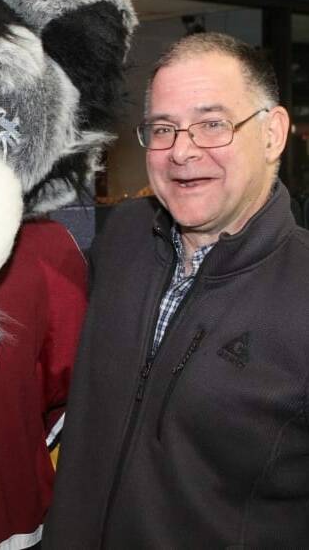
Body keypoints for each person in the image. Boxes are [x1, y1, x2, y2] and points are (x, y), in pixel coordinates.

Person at [43, 32, 309, 548]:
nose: (182, 151)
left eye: (213, 124)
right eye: (163, 129)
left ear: (273, 133)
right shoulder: (121, 239)